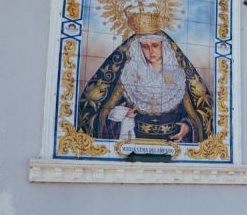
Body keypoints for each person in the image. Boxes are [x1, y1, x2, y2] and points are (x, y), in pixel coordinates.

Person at [77, 30, 213, 143]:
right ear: (138, 48)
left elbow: (196, 115)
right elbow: (103, 114)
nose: (150, 51)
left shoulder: (177, 77)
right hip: (135, 140)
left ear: (163, 46)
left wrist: (187, 127)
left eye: (155, 45)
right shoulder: (129, 76)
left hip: (172, 142)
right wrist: (123, 115)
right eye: (145, 46)